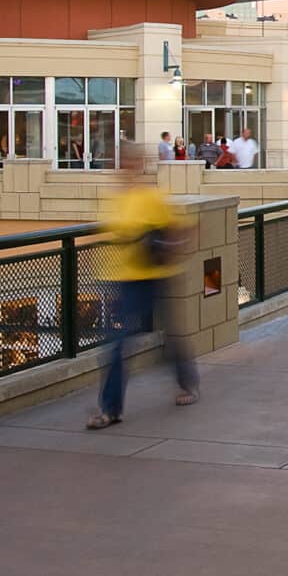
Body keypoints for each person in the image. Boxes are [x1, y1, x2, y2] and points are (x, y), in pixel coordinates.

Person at [87, 141, 199, 429]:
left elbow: (182, 227)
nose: (124, 166)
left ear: (138, 164)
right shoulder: (112, 197)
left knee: (162, 337)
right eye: (120, 161)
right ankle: (111, 408)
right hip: (121, 280)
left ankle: (187, 382)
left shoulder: (151, 197)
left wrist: (168, 249)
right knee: (118, 343)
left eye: (129, 161)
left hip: (152, 277)